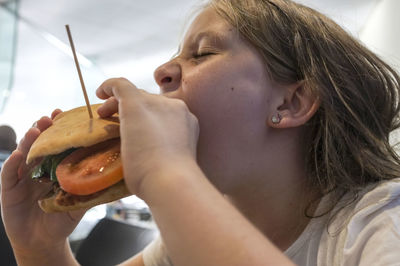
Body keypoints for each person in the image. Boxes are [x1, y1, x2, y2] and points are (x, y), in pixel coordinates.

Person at [1, 0, 400, 265]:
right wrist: (40, 246)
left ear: (289, 104)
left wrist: (166, 172)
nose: (161, 73)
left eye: (202, 53)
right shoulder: (181, 246)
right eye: (173, 57)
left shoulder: (380, 225)